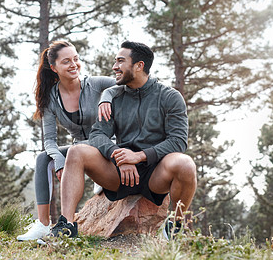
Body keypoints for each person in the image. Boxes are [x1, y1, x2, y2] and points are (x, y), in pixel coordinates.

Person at [50, 41, 197, 240]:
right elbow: (97, 135)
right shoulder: (114, 97)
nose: (114, 67)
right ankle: (67, 225)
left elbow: (178, 141)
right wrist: (118, 156)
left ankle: (175, 227)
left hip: (155, 173)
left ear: (139, 66)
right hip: (118, 173)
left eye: (120, 61)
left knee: (185, 164)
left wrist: (138, 156)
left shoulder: (170, 97)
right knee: (77, 151)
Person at [17, 41, 116, 241]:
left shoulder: (96, 84)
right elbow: (50, 141)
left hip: (107, 144)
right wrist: (59, 160)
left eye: (76, 59)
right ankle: (43, 224)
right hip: (79, 148)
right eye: (66, 61)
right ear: (54, 68)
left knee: (75, 149)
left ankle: (68, 221)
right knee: (43, 158)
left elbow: (128, 84)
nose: (74, 64)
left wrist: (107, 96)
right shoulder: (49, 99)